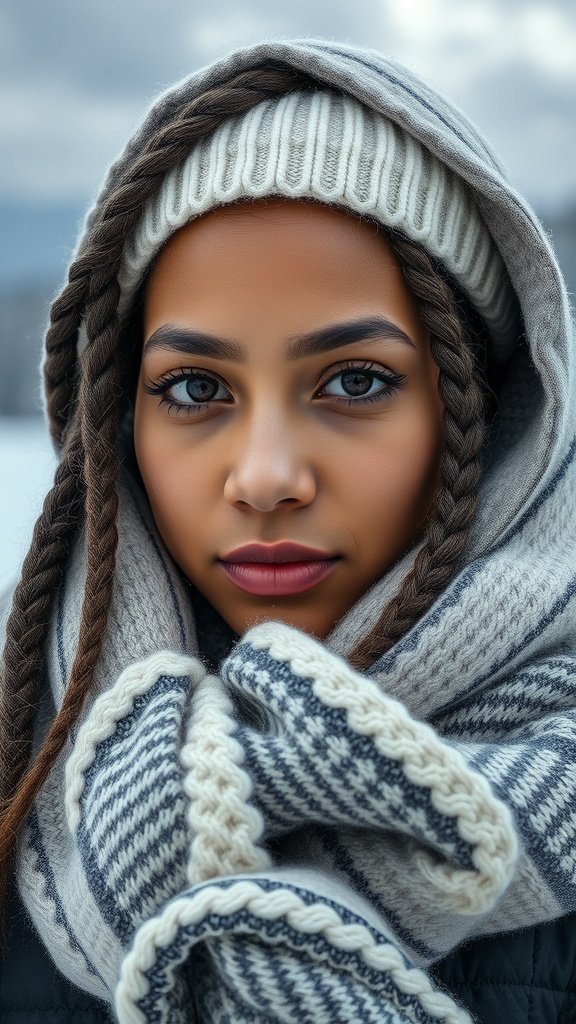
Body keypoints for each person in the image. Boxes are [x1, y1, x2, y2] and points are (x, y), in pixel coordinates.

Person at [1, 37, 575, 1024]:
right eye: (193, 388)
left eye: (355, 381)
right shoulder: (26, 783)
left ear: (486, 416)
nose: (267, 477)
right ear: (115, 427)